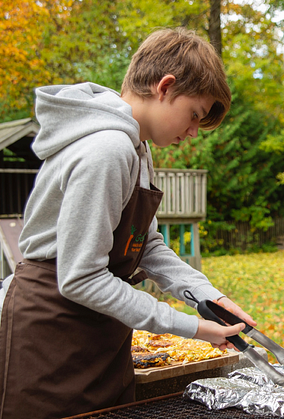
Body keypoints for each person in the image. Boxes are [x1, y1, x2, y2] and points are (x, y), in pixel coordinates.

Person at [0, 28, 255, 418]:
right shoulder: (108, 149)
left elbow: (146, 245)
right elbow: (80, 278)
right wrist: (190, 327)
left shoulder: (138, 147)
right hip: (50, 337)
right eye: (193, 116)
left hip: (102, 334)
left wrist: (208, 297)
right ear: (165, 87)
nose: (191, 132)